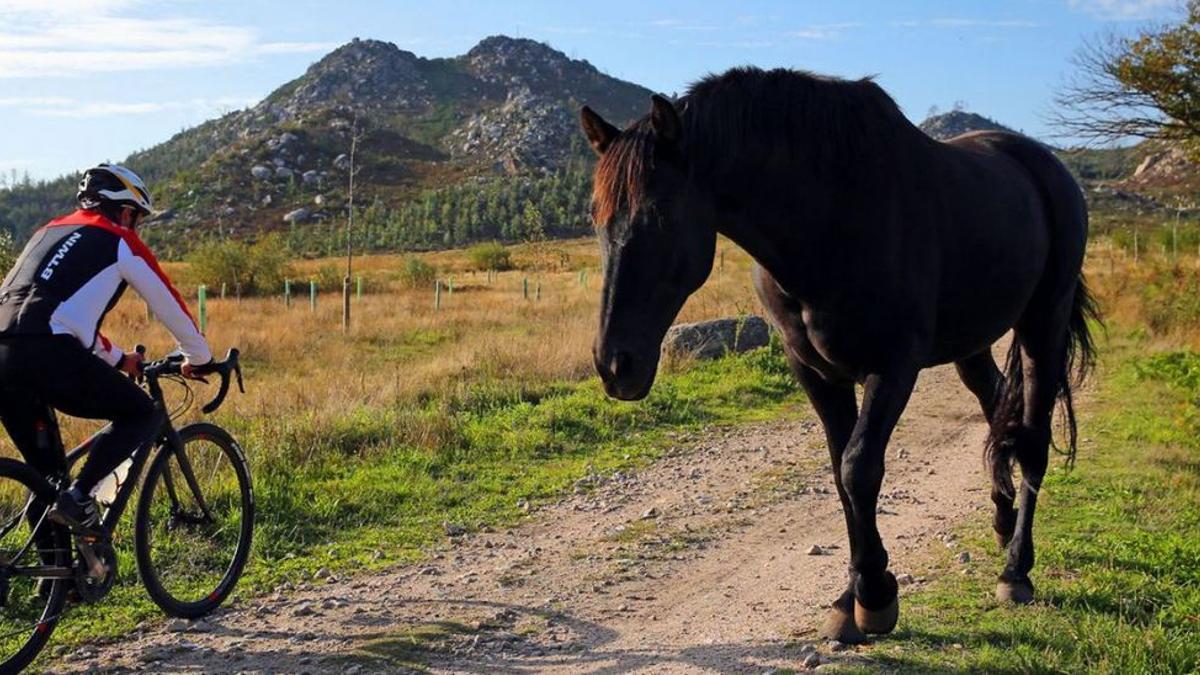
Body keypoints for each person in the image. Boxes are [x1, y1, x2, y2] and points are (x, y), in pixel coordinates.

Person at [0, 163, 212, 533]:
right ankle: (81, 497)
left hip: (4, 353)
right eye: (138, 218)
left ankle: (56, 587)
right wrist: (200, 357)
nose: (137, 226)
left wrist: (119, 359)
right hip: (46, 351)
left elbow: (51, 313)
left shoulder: (46, 233)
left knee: (48, 479)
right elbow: (168, 301)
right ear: (126, 211)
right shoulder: (119, 239)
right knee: (141, 414)